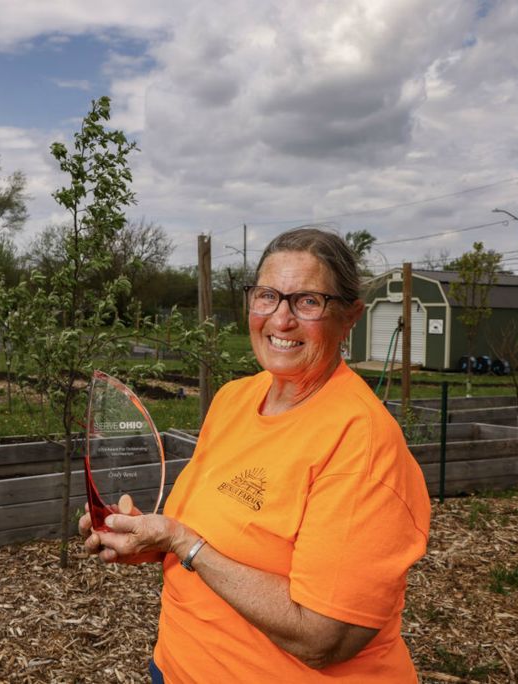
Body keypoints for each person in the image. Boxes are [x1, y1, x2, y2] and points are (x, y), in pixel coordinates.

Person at [81, 226, 431, 682]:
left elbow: (322, 637)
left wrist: (183, 543)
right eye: (267, 295)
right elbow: (209, 532)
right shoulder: (235, 399)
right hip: (176, 666)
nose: (281, 320)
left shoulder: (359, 441)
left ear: (350, 317)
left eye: (308, 301)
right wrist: (146, 542)